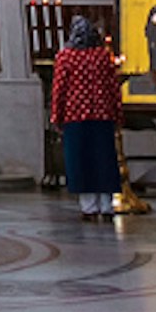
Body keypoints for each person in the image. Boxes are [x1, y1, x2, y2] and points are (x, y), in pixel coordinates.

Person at [48, 16, 121, 215]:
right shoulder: (102, 56)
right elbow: (113, 87)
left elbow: (59, 89)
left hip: (75, 116)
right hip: (102, 115)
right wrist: (117, 114)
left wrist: (56, 116)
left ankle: (88, 207)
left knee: (81, 160)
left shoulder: (66, 57)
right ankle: (106, 205)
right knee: (103, 158)